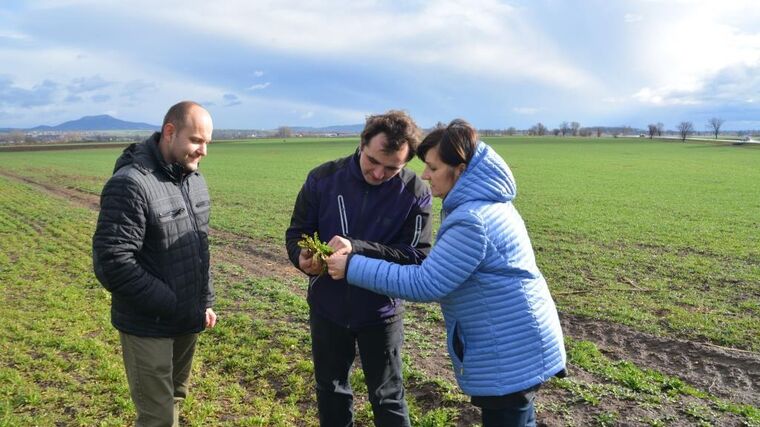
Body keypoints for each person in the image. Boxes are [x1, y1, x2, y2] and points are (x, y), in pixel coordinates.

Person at [326, 119, 566, 427]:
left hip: (508, 349)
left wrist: (352, 265)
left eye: (434, 168)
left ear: (461, 170)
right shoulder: (487, 203)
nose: (424, 175)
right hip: (518, 339)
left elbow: (425, 283)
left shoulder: (472, 220)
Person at [285, 110, 433, 426]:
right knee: (331, 390)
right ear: (362, 143)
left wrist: (358, 250)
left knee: (388, 396)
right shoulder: (322, 178)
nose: (379, 173)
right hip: (327, 307)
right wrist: (301, 257)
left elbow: (417, 256)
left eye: (392, 168)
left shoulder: (416, 193)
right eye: (373, 161)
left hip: (381, 312)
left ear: (407, 163)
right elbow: (297, 232)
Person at [92, 101, 217, 427]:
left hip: (186, 318)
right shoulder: (130, 183)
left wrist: (204, 300)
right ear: (169, 132)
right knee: (157, 417)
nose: (203, 150)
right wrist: (170, 302)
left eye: (207, 143)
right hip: (148, 324)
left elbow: (199, 248)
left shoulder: (193, 180)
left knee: (176, 396)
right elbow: (112, 262)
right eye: (196, 140)